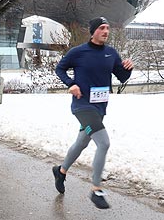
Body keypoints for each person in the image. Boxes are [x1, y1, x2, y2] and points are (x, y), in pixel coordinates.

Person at [52, 17, 134, 209]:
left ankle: (61, 171)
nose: (106, 31)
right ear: (93, 31)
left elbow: (121, 77)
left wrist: (128, 69)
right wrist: (71, 84)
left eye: (108, 28)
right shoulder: (78, 52)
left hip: (99, 108)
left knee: (82, 142)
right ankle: (96, 189)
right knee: (104, 142)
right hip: (82, 106)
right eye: (102, 28)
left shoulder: (111, 53)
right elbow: (60, 68)